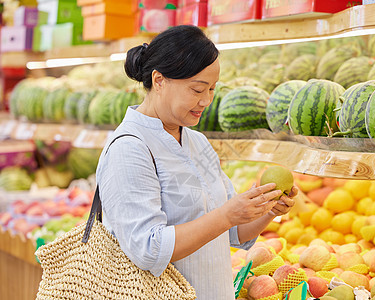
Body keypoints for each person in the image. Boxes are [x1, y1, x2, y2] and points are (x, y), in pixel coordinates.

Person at [95, 25, 298, 299]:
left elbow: (233, 232)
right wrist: (226, 214)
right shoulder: (130, 148)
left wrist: (267, 209)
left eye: (212, 89)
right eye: (197, 89)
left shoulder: (196, 141)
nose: (207, 101)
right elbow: (148, 248)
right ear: (159, 80)